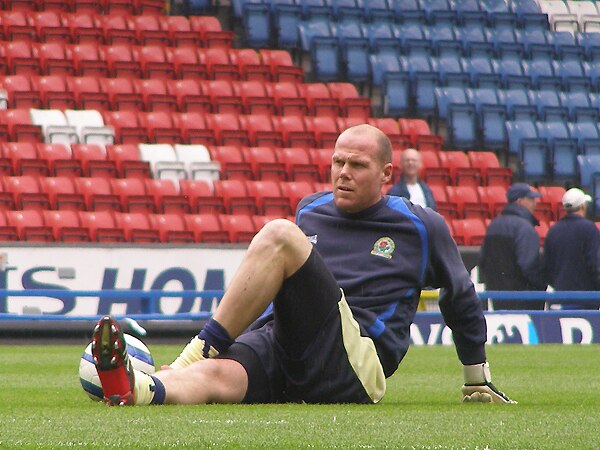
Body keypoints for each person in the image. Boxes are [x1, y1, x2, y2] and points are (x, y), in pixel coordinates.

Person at [90, 124, 515, 407]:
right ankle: (138, 388)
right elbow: (287, 294)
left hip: (355, 365)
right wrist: (252, 341)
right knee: (214, 375)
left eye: (357, 165)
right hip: (288, 345)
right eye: (337, 162)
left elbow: (460, 297)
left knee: (279, 235)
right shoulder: (310, 210)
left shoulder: (420, 226)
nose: (343, 173)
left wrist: (475, 376)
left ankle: (186, 357)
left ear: (387, 174)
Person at [478, 182, 547, 310]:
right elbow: (528, 266)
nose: (535, 203)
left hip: (497, 298)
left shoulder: (493, 226)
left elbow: (483, 260)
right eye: (531, 199)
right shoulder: (525, 228)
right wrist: (541, 286)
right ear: (520, 201)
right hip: (524, 300)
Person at [543, 188, 600, 309]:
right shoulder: (589, 229)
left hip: (560, 295)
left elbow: (546, 266)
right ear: (583, 206)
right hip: (586, 298)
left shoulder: (553, 230)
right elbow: (595, 264)